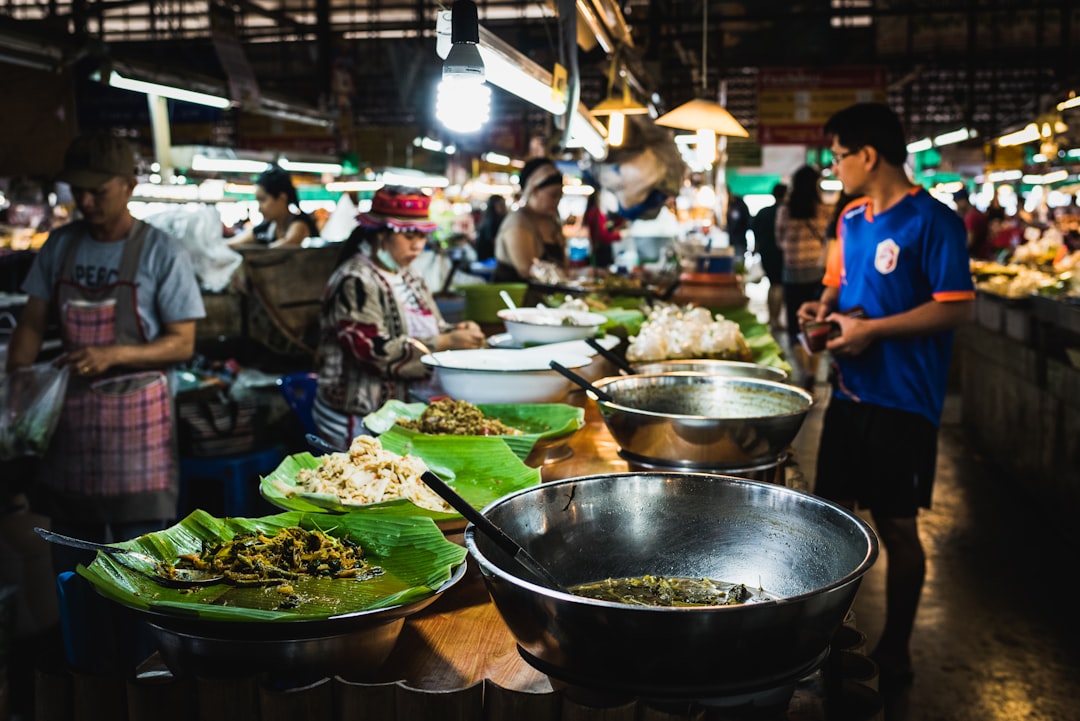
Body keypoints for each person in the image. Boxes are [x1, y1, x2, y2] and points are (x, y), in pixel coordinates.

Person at [797, 102, 975, 692]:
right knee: (832, 522)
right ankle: (823, 638)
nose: (835, 168)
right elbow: (834, 288)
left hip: (904, 402)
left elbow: (957, 306)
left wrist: (873, 330)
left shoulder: (934, 221)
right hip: (849, 394)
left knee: (898, 528)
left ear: (867, 155)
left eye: (838, 157)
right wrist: (819, 316)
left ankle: (895, 647)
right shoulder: (849, 220)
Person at [5, 131, 206, 572]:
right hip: (71, 425)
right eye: (79, 191)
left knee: (147, 568)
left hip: (140, 436)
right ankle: (86, 641)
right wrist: (17, 384)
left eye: (98, 191)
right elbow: (32, 323)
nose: (87, 202)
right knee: (78, 565)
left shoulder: (160, 251)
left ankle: (144, 645)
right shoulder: (60, 245)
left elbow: (182, 342)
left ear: (129, 186)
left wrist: (113, 355)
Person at [312, 186, 486, 449]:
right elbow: (371, 352)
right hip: (358, 417)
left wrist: (458, 330)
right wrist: (445, 341)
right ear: (380, 235)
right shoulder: (355, 280)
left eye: (422, 235)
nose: (418, 244)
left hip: (401, 413)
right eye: (408, 235)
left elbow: (433, 326)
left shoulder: (409, 275)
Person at [777, 165, 831, 360]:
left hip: (792, 272)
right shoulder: (823, 210)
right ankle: (813, 368)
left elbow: (779, 240)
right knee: (815, 322)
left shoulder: (785, 210)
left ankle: (803, 368)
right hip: (817, 272)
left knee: (795, 321)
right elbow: (828, 240)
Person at [492, 158, 567, 282]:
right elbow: (526, 270)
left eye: (560, 196)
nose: (557, 201)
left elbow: (564, 266)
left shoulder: (552, 223)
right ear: (534, 191)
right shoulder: (518, 222)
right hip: (517, 299)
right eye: (553, 195)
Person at [228, 165, 318, 248]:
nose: (259, 208)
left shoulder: (300, 223)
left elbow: (289, 243)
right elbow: (234, 243)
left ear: (282, 198)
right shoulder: (267, 227)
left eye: (263, 200)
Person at [749, 183, 787, 331]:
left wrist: (755, 248)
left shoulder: (763, 212)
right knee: (778, 285)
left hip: (765, 252)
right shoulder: (785, 212)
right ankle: (775, 319)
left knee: (772, 285)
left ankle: (772, 318)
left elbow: (754, 231)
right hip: (780, 254)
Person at [583, 186, 624, 269]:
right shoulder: (594, 213)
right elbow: (602, 236)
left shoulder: (597, 212)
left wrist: (619, 223)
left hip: (600, 251)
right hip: (600, 253)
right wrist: (619, 235)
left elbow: (606, 226)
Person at [953, 190, 989, 259]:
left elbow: (969, 242)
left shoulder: (971, 217)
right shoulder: (976, 213)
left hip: (978, 258)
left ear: (964, 201)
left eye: (957, 203)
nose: (957, 206)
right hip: (984, 255)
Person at [474, 194, 507, 262]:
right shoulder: (491, 222)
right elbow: (495, 243)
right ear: (493, 206)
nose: (504, 208)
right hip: (488, 259)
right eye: (501, 205)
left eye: (504, 204)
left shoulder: (489, 219)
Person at [725, 188, 751, 264]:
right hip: (732, 242)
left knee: (738, 266)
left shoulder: (739, 205)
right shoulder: (730, 205)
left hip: (739, 242)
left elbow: (746, 223)